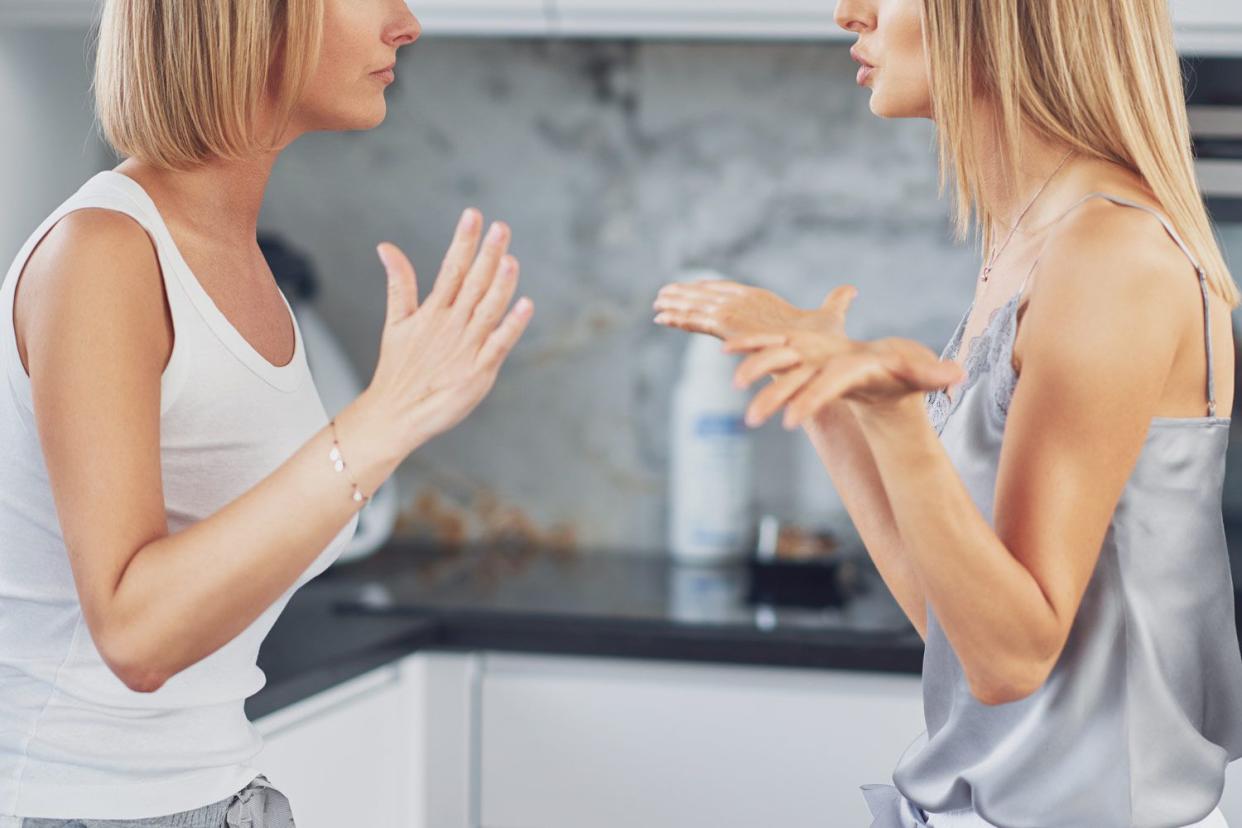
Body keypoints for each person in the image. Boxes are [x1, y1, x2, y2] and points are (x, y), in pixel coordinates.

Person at [654, 0, 1242, 826]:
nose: (846, 13)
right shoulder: (1034, 238)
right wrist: (826, 393)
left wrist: (897, 425)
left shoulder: (1111, 254)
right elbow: (955, 620)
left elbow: (1013, 657)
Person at [0, 1, 534, 825]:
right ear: (252, 18)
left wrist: (393, 422)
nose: (407, 23)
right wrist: (382, 419)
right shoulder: (102, 254)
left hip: (220, 797)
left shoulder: (230, 256)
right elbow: (135, 634)